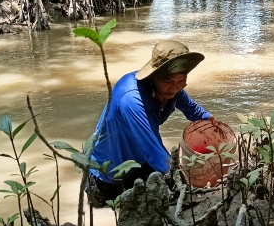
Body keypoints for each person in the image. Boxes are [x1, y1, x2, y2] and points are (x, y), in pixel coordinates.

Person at [87, 40, 214, 206]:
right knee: (107, 215)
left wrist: (212, 123)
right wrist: (183, 184)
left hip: (138, 162)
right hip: (107, 171)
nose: (175, 88)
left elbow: (193, 111)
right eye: (168, 81)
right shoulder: (132, 99)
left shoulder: (172, 91)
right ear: (154, 76)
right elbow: (153, 151)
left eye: (182, 80)